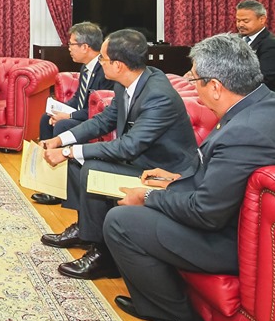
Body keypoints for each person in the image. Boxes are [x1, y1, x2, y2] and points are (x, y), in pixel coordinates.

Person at [104, 33, 275, 321]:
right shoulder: (272, 106)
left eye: (194, 80)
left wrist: (148, 196)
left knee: (121, 221)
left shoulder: (245, 131)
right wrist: (176, 179)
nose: (193, 88)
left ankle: (174, 317)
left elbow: (206, 212)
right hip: (240, 221)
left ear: (215, 86)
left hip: (238, 242)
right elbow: (226, 177)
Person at [40, 29, 198, 280]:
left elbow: (128, 146)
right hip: (140, 161)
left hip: (164, 172)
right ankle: (86, 230)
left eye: (103, 58)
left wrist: (68, 152)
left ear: (118, 65)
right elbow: (104, 120)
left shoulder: (158, 95)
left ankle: (104, 256)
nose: (100, 63)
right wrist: (61, 140)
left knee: (90, 167)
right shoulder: (127, 82)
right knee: (80, 162)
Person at [33, 22, 114, 205]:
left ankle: (60, 189)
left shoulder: (104, 71)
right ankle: (48, 182)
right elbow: (78, 99)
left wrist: (69, 116)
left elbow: (98, 109)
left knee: (63, 124)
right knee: (47, 119)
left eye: (71, 44)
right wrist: (58, 110)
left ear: (85, 47)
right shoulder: (86, 67)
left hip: (96, 120)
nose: (68, 48)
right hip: (84, 114)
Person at [235, 0, 275, 91]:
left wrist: (231, 85)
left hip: (256, 93)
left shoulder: (273, 45)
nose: (240, 25)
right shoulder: (234, 39)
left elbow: (265, 79)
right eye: (238, 21)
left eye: (245, 21)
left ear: (262, 20)